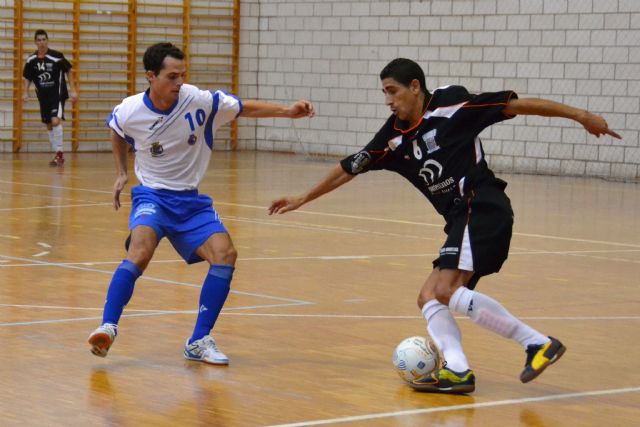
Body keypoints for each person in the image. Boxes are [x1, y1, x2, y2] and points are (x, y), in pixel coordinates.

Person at [268, 58, 621, 393]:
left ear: (415, 87)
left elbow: (519, 105)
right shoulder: (392, 138)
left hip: (481, 206)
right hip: (460, 218)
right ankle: (457, 369)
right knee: (429, 297)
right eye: (384, 94)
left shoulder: (453, 106)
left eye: (393, 91)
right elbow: (349, 168)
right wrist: (303, 198)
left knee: (445, 291)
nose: (388, 101)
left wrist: (582, 116)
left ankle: (538, 344)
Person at [87, 42, 315, 365]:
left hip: (191, 201)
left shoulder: (198, 101)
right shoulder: (130, 109)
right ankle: (107, 327)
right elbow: (116, 130)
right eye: (171, 76)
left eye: (182, 75)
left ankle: (198, 340)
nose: (179, 83)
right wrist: (121, 173)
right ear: (151, 77)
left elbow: (242, 107)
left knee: (226, 254)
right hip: (152, 195)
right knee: (140, 251)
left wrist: (287, 111)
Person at [22, 29, 78, 167]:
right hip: (43, 97)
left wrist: (73, 90)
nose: (41, 43)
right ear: (35, 42)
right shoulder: (31, 60)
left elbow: (69, 70)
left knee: (54, 121)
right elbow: (27, 77)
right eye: (39, 40)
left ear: (47, 40)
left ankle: (59, 154)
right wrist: (25, 92)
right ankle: (57, 154)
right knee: (48, 124)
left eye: (44, 39)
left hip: (57, 95)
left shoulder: (57, 56)